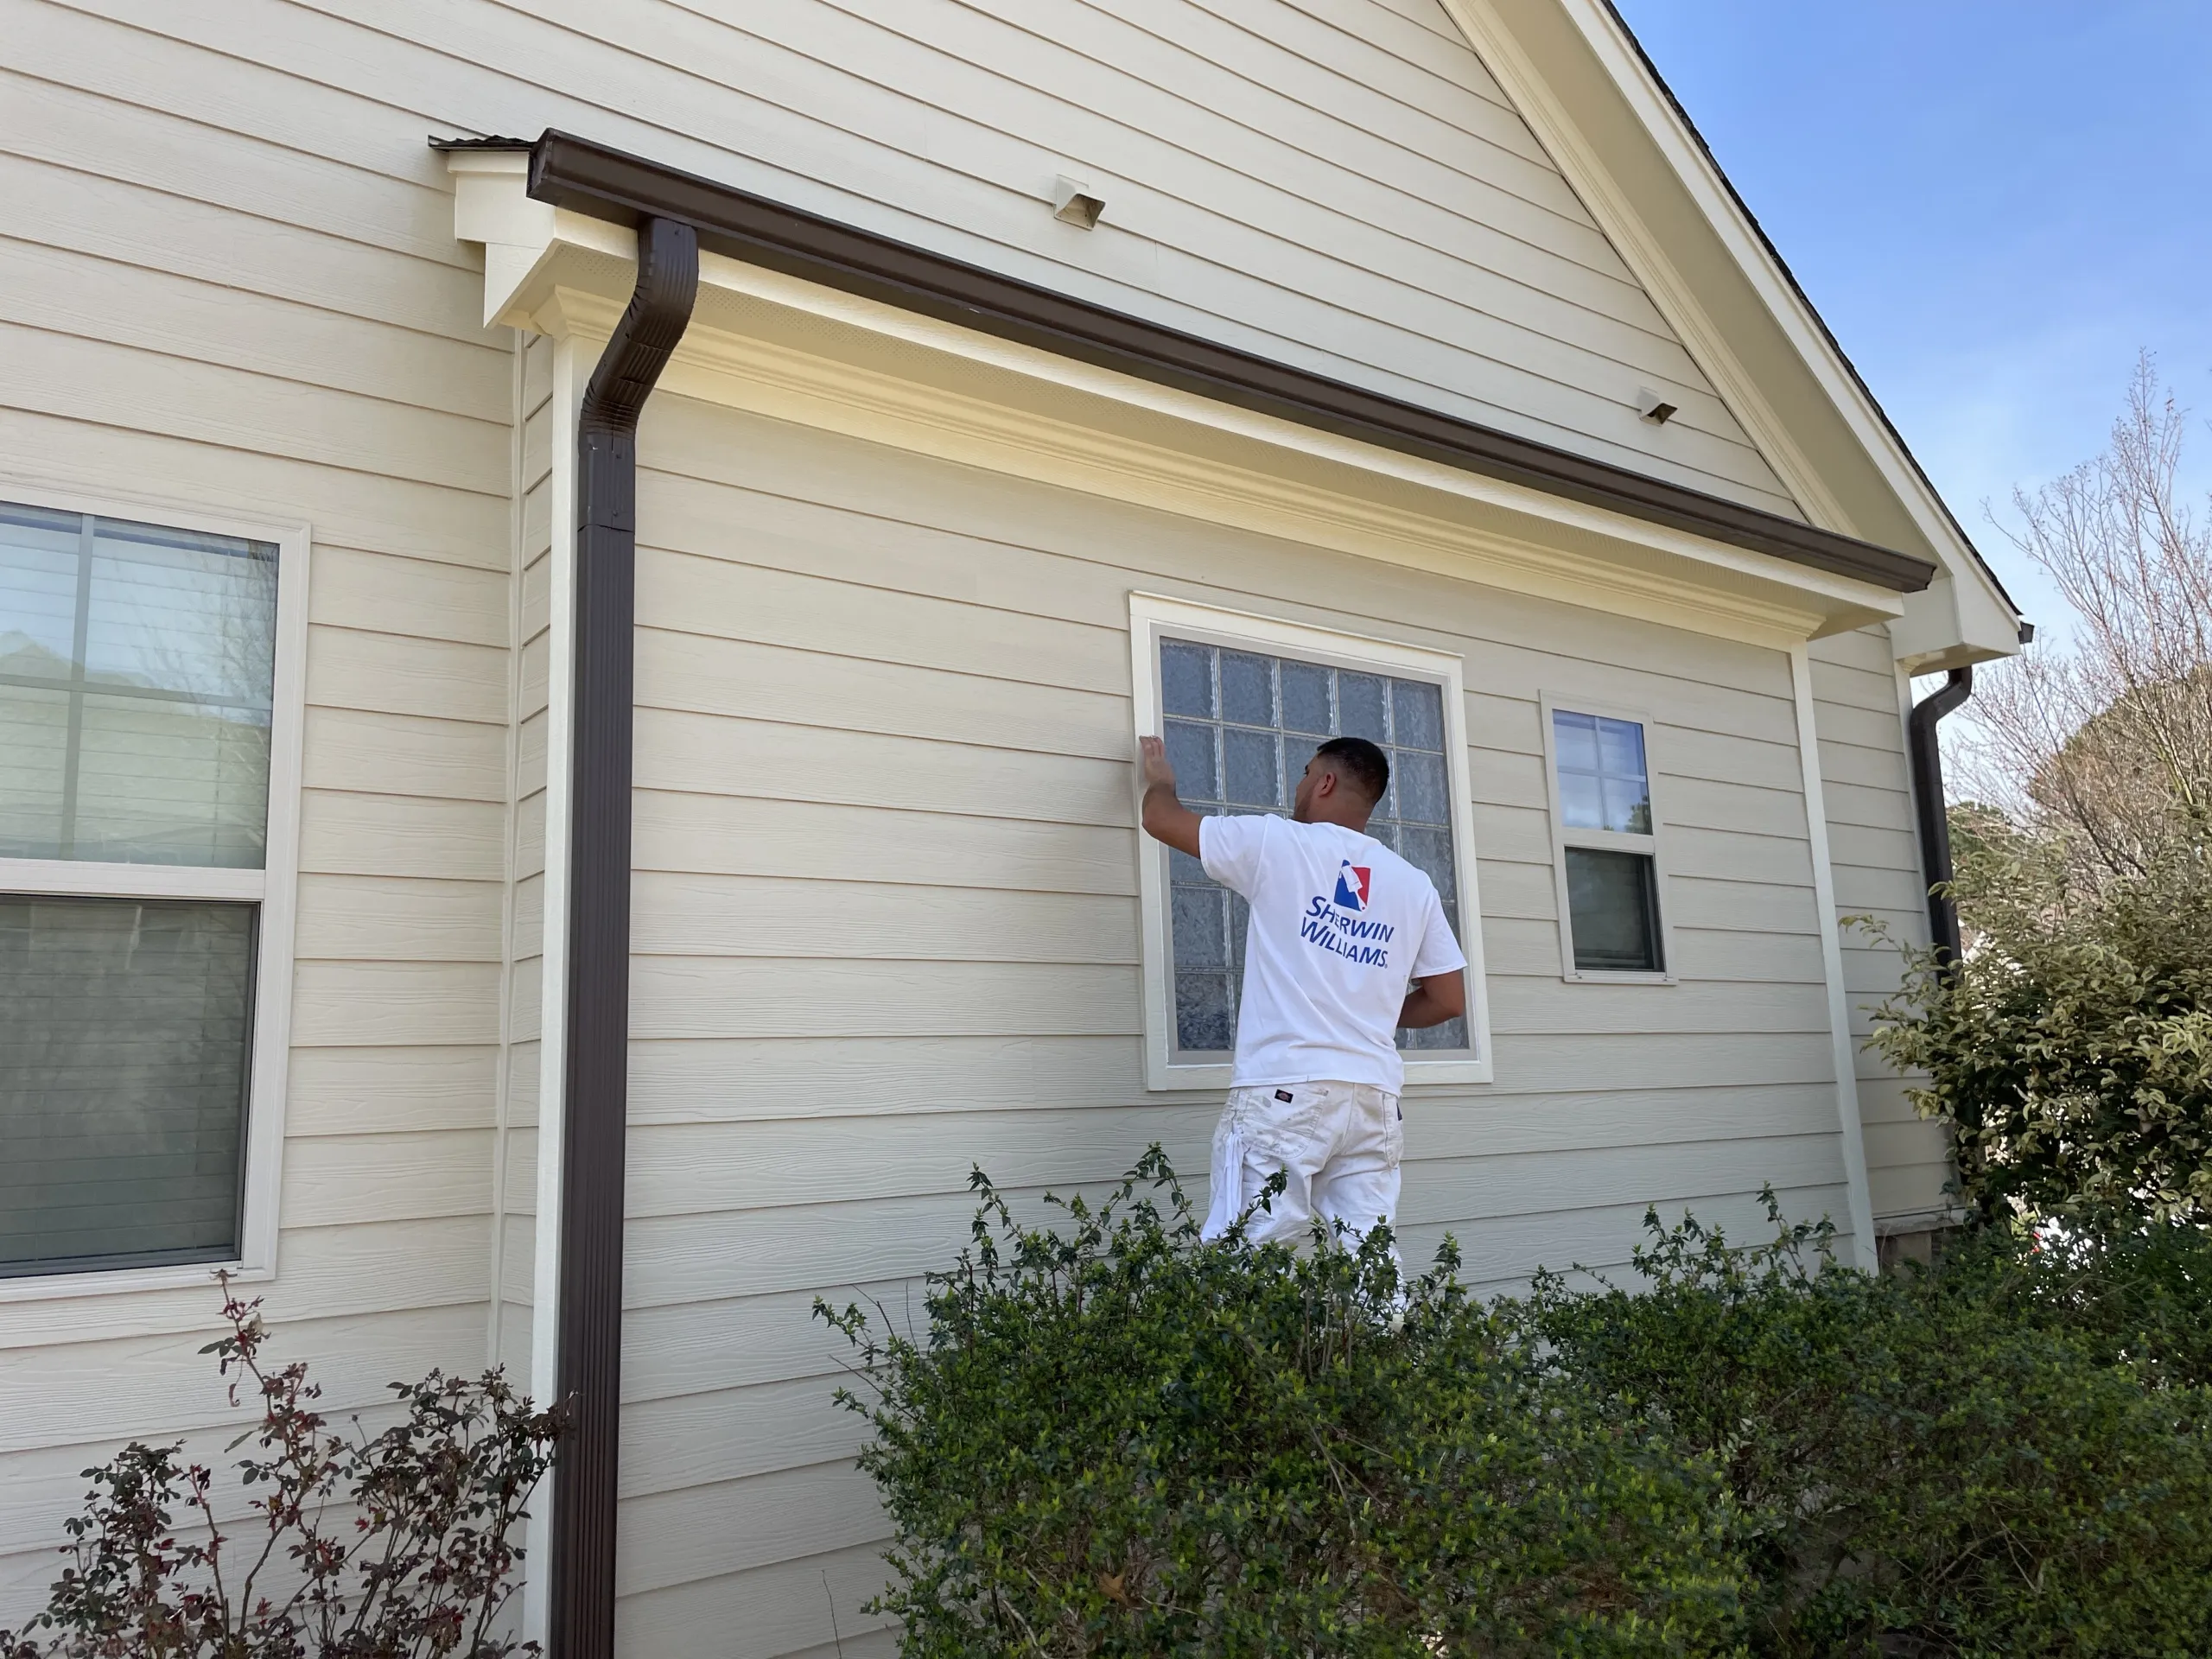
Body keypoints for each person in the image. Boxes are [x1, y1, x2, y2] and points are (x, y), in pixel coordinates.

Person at [1138, 732, 1468, 1252]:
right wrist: (1370, 1008)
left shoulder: (1279, 844)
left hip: (1286, 1089)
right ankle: (1386, 1335)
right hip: (1373, 1100)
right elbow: (1449, 999)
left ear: (1326, 781)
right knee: (1371, 1261)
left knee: (1251, 1257)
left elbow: (1161, 820)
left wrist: (1162, 781)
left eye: (1305, 772)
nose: (1300, 783)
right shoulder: (1413, 884)